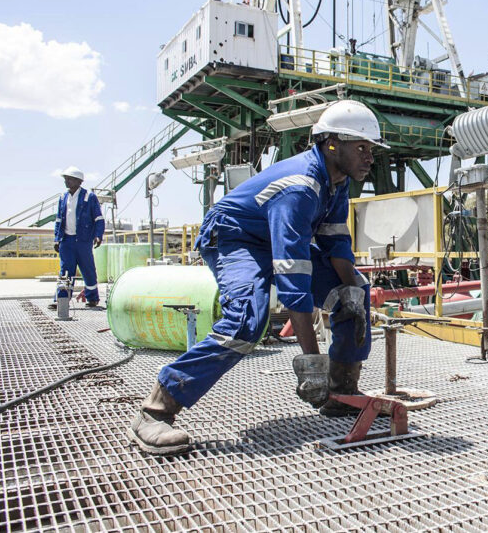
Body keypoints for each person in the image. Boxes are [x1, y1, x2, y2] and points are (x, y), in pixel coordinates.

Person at [128, 100, 388, 455]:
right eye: (361, 146)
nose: (369, 156)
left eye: (371, 148)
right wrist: (310, 362)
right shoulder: (300, 186)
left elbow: (336, 243)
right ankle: (156, 409)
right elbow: (292, 277)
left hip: (267, 238)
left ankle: (341, 393)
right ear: (331, 144)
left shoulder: (337, 183)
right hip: (233, 237)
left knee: (353, 290)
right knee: (247, 319)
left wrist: (353, 294)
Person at [51, 167, 105, 309]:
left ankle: (92, 298)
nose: (66, 181)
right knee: (65, 271)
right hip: (66, 241)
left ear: (78, 181)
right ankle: (61, 300)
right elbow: (58, 220)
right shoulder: (63, 197)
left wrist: (98, 235)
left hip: (83, 240)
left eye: (69, 179)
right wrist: (57, 239)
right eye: (65, 179)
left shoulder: (89, 197)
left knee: (88, 270)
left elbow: (98, 218)